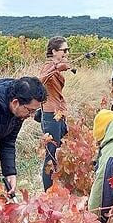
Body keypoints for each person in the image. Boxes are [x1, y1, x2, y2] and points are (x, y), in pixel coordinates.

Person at [39, 36, 73, 190]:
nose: (67, 53)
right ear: (54, 51)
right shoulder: (48, 66)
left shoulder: (57, 65)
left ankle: (57, 187)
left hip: (59, 114)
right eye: (64, 50)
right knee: (51, 156)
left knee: (59, 152)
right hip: (50, 115)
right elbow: (39, 82)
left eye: (68, 50)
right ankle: (48, 193)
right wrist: (56, 69)